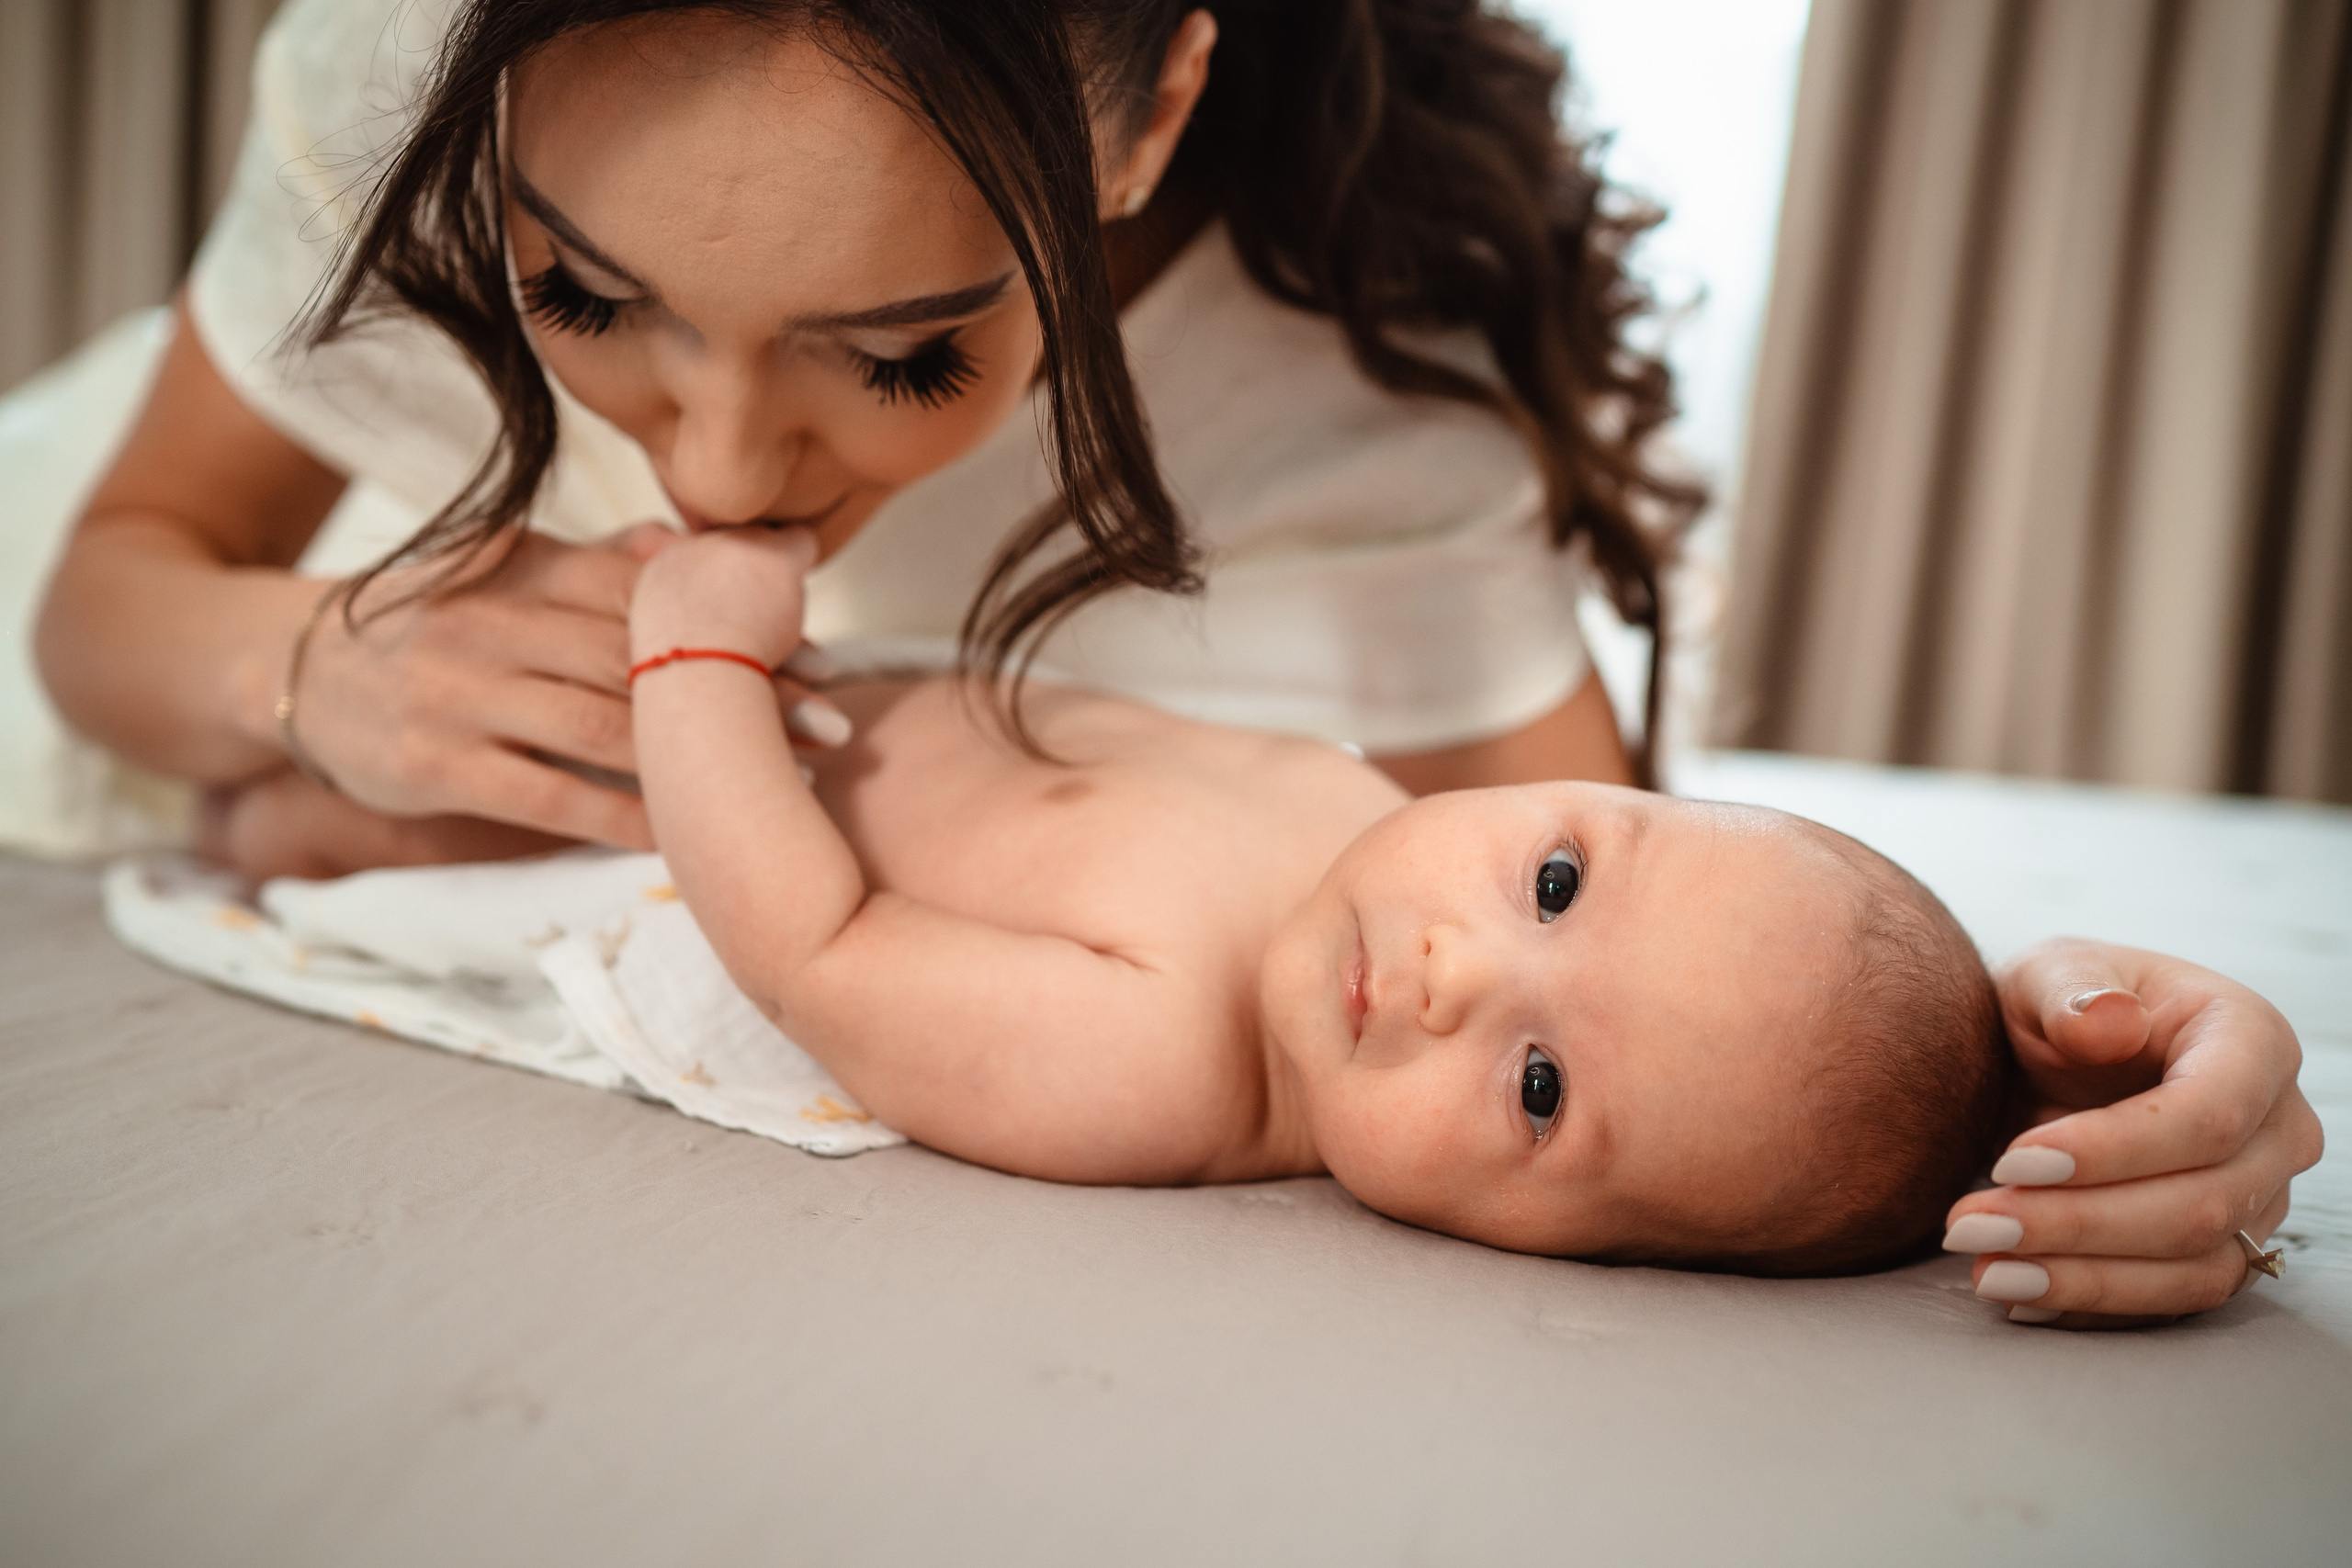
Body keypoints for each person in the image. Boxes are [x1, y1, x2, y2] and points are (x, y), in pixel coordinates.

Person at [24, 0, 2317, 1318]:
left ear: (1143, 115)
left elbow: (1679, 956)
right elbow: (105, 597)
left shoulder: (1365, 383)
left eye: (904, 350)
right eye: (582, 294)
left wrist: (2042, 1069)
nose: (714, 463)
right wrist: (301, 656)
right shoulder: (416, 51)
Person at [628, 522, 2018, 1277]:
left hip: (677, 818)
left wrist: (692, 656)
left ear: (1563, 1252)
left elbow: (817, 950)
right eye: (1553, 882)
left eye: (1539, 1088)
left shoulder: (1157, 1066)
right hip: (795, 686)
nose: (1453, 977)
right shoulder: (1367, 824)